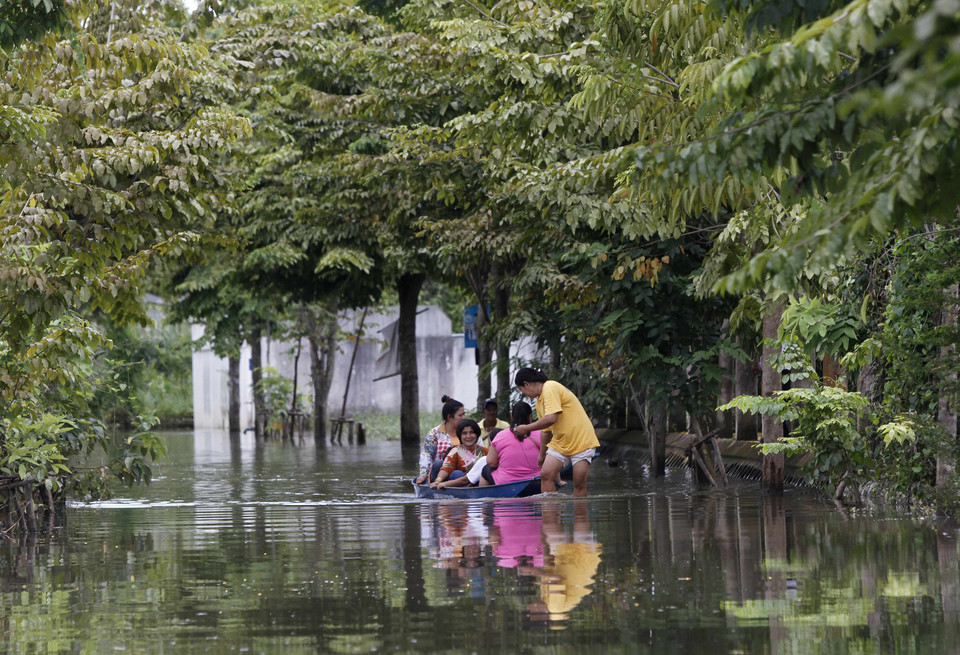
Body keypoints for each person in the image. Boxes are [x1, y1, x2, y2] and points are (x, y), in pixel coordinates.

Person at [513, 367, 599, 497]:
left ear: (526, 384)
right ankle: (550, 513)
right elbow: (546, 431)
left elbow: (552, 418)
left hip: (582, 440)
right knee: (546, 475)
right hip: (560, 443)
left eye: (521, 390)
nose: (524, 393)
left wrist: (526, 428)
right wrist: (541, 455)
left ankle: (580, 516)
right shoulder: (539, 401)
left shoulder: (550, 387)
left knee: (579, 482)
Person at [477, 401, 543, 486]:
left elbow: (491, 462)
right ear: (530, 417)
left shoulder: (500, 435)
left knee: (486, 469)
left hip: (507, 483)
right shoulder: (541, 434)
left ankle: (485, 497)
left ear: (512, 417)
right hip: (538, 481)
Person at [415, 396, 465, 484]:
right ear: (450, 417)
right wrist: (423, 475)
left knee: (457, 473)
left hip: (460, 474)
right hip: (439, 473)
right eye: (460, 415)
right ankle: (434, 485)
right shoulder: (435, 433)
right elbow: (426, 456)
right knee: (438, 463)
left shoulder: (468, 432)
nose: (464, 418)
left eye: (464, 414)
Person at [430, 419, 488, 489]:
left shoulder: (485, 451)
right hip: (459, 484)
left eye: (472, 432)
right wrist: (438, 481)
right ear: (460, 436)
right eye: (464, 433)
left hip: (478, 484)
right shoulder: (455, 451)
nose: (468, 436)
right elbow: (446, 469)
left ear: (477, 434)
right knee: (457, 473)